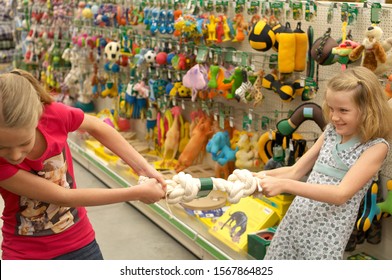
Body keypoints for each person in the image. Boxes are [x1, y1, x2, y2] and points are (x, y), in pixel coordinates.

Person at [0, 69, 166, 260]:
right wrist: (137, 193)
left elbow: (97, 126)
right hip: (26, 255)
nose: (14, 155)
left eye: (24, 143)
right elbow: (64, 197)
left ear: (38, 116)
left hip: (80, 244)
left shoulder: (54, 115)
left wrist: (143, 169)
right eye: (2, 147)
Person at [254, 66, 392, 260]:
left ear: (368, 110)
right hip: (294, 223)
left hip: (325, 237)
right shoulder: (330, 132)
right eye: (332, 108)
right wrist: (258, 177)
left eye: (343, 110)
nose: (334, 117)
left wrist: (284, 185)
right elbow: (295, 171)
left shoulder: (375, 147)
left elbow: (340, 194)